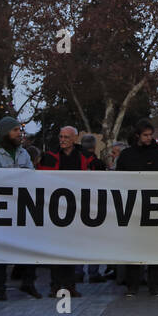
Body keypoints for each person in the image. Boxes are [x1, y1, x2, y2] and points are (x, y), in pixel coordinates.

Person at [0, 117, 40, 300]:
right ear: (6, 132)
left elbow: (31, 176)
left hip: (23, 207)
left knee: (30, 246)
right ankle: (0, 288)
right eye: (15, 130)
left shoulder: (24, 154)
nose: (19, 134)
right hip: (3, 208)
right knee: (1, 250)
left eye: (19, 130)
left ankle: (28, 283)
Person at [37, 125, 97, 295]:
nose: (62, 140)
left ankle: (70, 286)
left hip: (76, 210)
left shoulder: (86, 157)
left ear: (75, 139)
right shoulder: (49, 157)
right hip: (55, 210)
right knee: (56, 250)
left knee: (71, 250)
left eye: (66, 137)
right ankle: (55, 286)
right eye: (61, 137)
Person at [116, 119, 158, 296]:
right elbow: (119, 181)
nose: (149, 138)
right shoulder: (126, 155)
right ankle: (132, 285)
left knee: (154, 248)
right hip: (132, 208)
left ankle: (154, 285)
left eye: (150, 135)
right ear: (137, 135)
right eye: (145, 135)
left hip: (155, 207)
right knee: (133, 248)